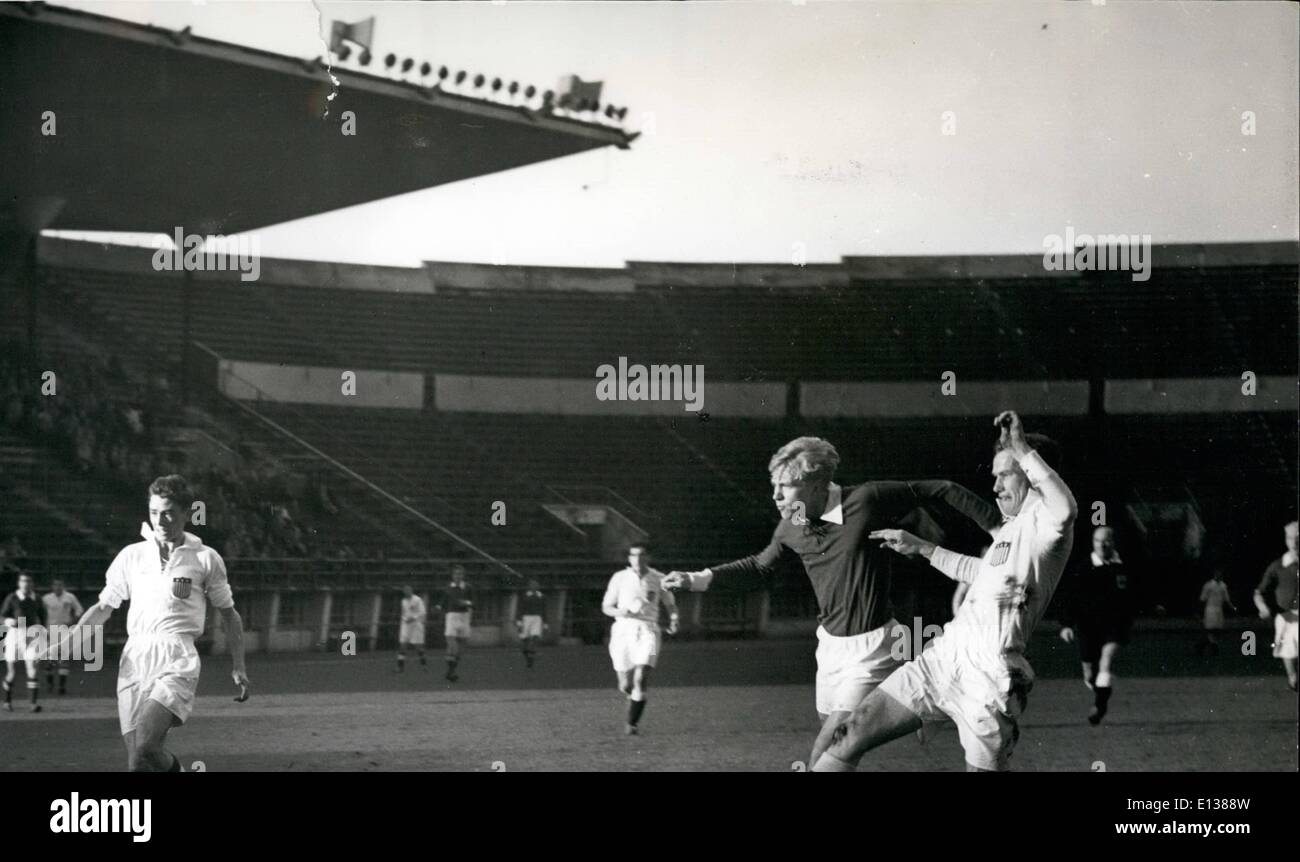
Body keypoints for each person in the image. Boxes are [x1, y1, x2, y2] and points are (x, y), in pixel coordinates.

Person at [664, 435, 1000, 764]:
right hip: (830, 649)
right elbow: (759, 566)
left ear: (815, 484)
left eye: (786, 486)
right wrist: (696, 579)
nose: (776, 496)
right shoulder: (791, 526)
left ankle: (923, 707)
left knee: (829, 745)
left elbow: (941, 488)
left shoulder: (867, 499)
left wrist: (999, 529)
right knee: (836, 743)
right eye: (774, 486)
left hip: (874, 647)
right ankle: (925, 711)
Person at [813, 412, 1077, 772]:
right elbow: (980, 574)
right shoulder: (1011, 531)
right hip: (943, 658)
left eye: (1005, 475)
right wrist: (921, 548)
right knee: (850, 732)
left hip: (988, 676)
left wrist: (1022, 447)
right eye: (995, 477)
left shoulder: (1048, 528)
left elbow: (1066, 509)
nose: (996, 487)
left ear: (1032, 474)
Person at [61, 475, 250, 771]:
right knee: (138, 763)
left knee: (147, 745)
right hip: (135, 658)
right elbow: (102, 608)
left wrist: (238, 665)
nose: (159, 520)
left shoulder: (204, 558)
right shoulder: (131, 556)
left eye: (168, 512)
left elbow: (229, 614)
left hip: (177, 657)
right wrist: (68, 642)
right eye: (153, 512)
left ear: (186, 513)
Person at [1057, 526, 1136, 725]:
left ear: (1113, 542)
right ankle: (1101, 687)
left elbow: (1135, 594)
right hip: (1088, 627)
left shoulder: (1124, 567)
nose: (1102, 544)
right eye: (1097, 540)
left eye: (1106, 540)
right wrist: (1067, 625)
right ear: (1093, 542)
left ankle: (1099, 708)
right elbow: (1071, 598)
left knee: (1106, 661)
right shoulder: (1084, 567)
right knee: (1090, 674)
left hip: (1114, 626)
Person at [603, 544, 678, 735]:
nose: (637, 559)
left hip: (650, 631)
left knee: (641, 675)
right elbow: (606, 607)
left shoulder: (659, 578)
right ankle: (635, 697)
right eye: (633, 555)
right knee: (625, 685)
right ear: (629, 558)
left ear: (648, 557)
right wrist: (622, 611)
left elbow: (670, 604)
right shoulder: (619, 578)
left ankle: (632, 723)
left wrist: (674, 619)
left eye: (641, 555)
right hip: (622, 631)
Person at [1253, 520, 1298, 690]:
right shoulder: (1278, 565)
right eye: (1290, 538)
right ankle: (1292, 677)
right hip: (1287, 617)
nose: (1294, 542)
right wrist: (1262, 607)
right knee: (1288, 649)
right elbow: (1259, 592)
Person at [2, 572, 47, 712]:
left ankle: (33, 704)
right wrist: (8, 621)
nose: (26, 584)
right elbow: (2, 615)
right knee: (11, 672)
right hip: (14, 634)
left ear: (32, 583)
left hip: (31, 634)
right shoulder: (12, 598)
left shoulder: (37, 599)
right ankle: (7, 701)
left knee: (32, 669)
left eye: (28, 581)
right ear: (19, 583)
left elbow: (43, 616)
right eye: (23, 581)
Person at [42, 579, 84, 695]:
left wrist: (72, 621)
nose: (58, 587)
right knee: (50, 658)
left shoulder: (70, 597)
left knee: (64, 658)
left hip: (65, 630)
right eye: (55, 585)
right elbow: (40, 612)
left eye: (60, 584)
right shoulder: (46, 599)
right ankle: (50, 684)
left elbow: (79, 610)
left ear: (63, 586)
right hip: (50, 630)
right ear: (52, 586)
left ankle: (61, 686)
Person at [436, 564, 473, 682]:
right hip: (452, 616)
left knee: (461, 646)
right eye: (456, 574)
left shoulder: (468, 587)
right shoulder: (448, 587)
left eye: (460, 574)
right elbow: (443, 600)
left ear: (463, 575)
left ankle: (450, 671)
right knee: (452, 644)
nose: (458, 576)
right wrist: (438, 606)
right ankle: (451, 671)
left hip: (464, 617)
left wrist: (466, 603)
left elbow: (474, 602)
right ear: (452, 575)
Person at [1198, 568, 1234, 657]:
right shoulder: (1208, 585)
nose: (1219, 575)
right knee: (1210, 629)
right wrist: (1199, 611)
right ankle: (1210, 647)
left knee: (1217, 630)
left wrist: (1232, 607)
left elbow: (1227, 599)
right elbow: (1202, 599)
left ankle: (1212, 646)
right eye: (1217, 573)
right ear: (1214, 574)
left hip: (1219, 610)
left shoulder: (1223, 585)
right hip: (1210, 610)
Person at [516, 579, 547, 669]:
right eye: (532, 585)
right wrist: (519, 621)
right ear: (529, 587)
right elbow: (520, 608)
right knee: (524, 639)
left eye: (536, 585)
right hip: (526, 618)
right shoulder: (524, 596)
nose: (534, 587)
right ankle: (527, 654)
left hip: (537, 618)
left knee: (535, 636)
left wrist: (545, 623)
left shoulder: (541, 596)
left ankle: (531, 655)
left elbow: (544, 610)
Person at [395, 585, 427, 672]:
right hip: (406, 625)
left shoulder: (417, 599)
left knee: (419, 647)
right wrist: (405, 619)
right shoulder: (403, 601)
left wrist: (413, 618)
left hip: (416, 625)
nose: (407, 592)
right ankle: (400, 667)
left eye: (408, 590)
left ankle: (424, 665)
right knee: (403, 645)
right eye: (405, 590)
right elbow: (403, 613)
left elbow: (423, 612)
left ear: (411, 590)